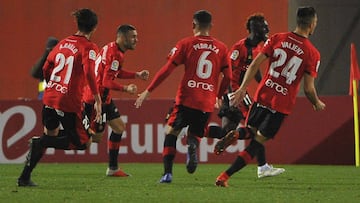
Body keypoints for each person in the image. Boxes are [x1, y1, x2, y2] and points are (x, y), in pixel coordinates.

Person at [215, 6, 326, 187]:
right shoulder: (313, 53)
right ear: (312, 24)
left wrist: (243, 88)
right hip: (281, 103)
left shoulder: (277, 38)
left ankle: (236, 134)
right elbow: (308, 88)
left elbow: (254, 65)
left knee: (250, 131)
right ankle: (224, 176)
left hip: (263, 94)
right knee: (258, 142)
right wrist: (316, 103)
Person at [135, 10, 231, 183]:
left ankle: (167, 174)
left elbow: (167, 69)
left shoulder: (186, 43)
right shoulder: (222, 48)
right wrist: (218, 96)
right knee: (196, 133)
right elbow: (229, 77)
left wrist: (148, 91)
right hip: (207, 101)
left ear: (193, 25)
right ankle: (193, 145)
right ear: (211, 26)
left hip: (186, 98)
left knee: (171, 131)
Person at [17, 8, 102, 187]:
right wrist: (97, 98)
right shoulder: (89, 47)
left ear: (77, 24)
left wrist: (53, 86)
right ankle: (39, 142)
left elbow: (46, 68)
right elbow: (88, 72)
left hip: (49, 97)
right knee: (84, 143)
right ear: (94, 28)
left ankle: (24, 177)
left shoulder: (62, 44)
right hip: (68, 102)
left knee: (52, 134)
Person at [210, 14, 285, 178]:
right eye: (264, 26)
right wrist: (234, 94)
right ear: (255, 29)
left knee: (225, 131)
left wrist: (263, 85)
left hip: (237, 93)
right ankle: (262, 166)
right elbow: (228, 73)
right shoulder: (239, 48)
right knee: (255, 128)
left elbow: (255, 69)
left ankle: (195, 131)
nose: (267, 29)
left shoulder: (257, 48)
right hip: (235, 92)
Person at [82, 24, 149, 177]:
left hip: (104, 99)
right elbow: (106, 82)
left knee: (119, 127)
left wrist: (136, 75)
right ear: (123, 37)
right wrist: (126, 89)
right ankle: (52, 138)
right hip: (95, 100)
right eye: (133, 37)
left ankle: (113, 168)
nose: (136, 40)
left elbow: (114, 72)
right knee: (91, 140)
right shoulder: (116, 54)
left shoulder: (112, 49)